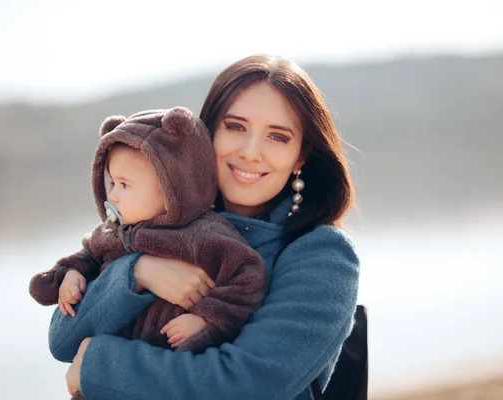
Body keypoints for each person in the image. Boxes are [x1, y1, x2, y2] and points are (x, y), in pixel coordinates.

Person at [51, 54, 360, 400]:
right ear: (205, 134)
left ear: (300, 157)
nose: (250, 152)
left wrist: (98, 366)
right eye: (235, 127)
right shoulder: (158, 222)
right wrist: (137, 272)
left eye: (277, 137)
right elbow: (63, 340)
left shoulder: (323, 255)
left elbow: (247, 385)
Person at [30, 107, 268, 363]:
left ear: (171, 189)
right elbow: (89, 253)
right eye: (112, 182)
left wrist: (206, 319)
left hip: (164, 363)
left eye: (124, 185)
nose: (112, 195)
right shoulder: (112, 231)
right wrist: (70, 274)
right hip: (108, 364)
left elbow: (248, 278)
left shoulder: (203, 235)